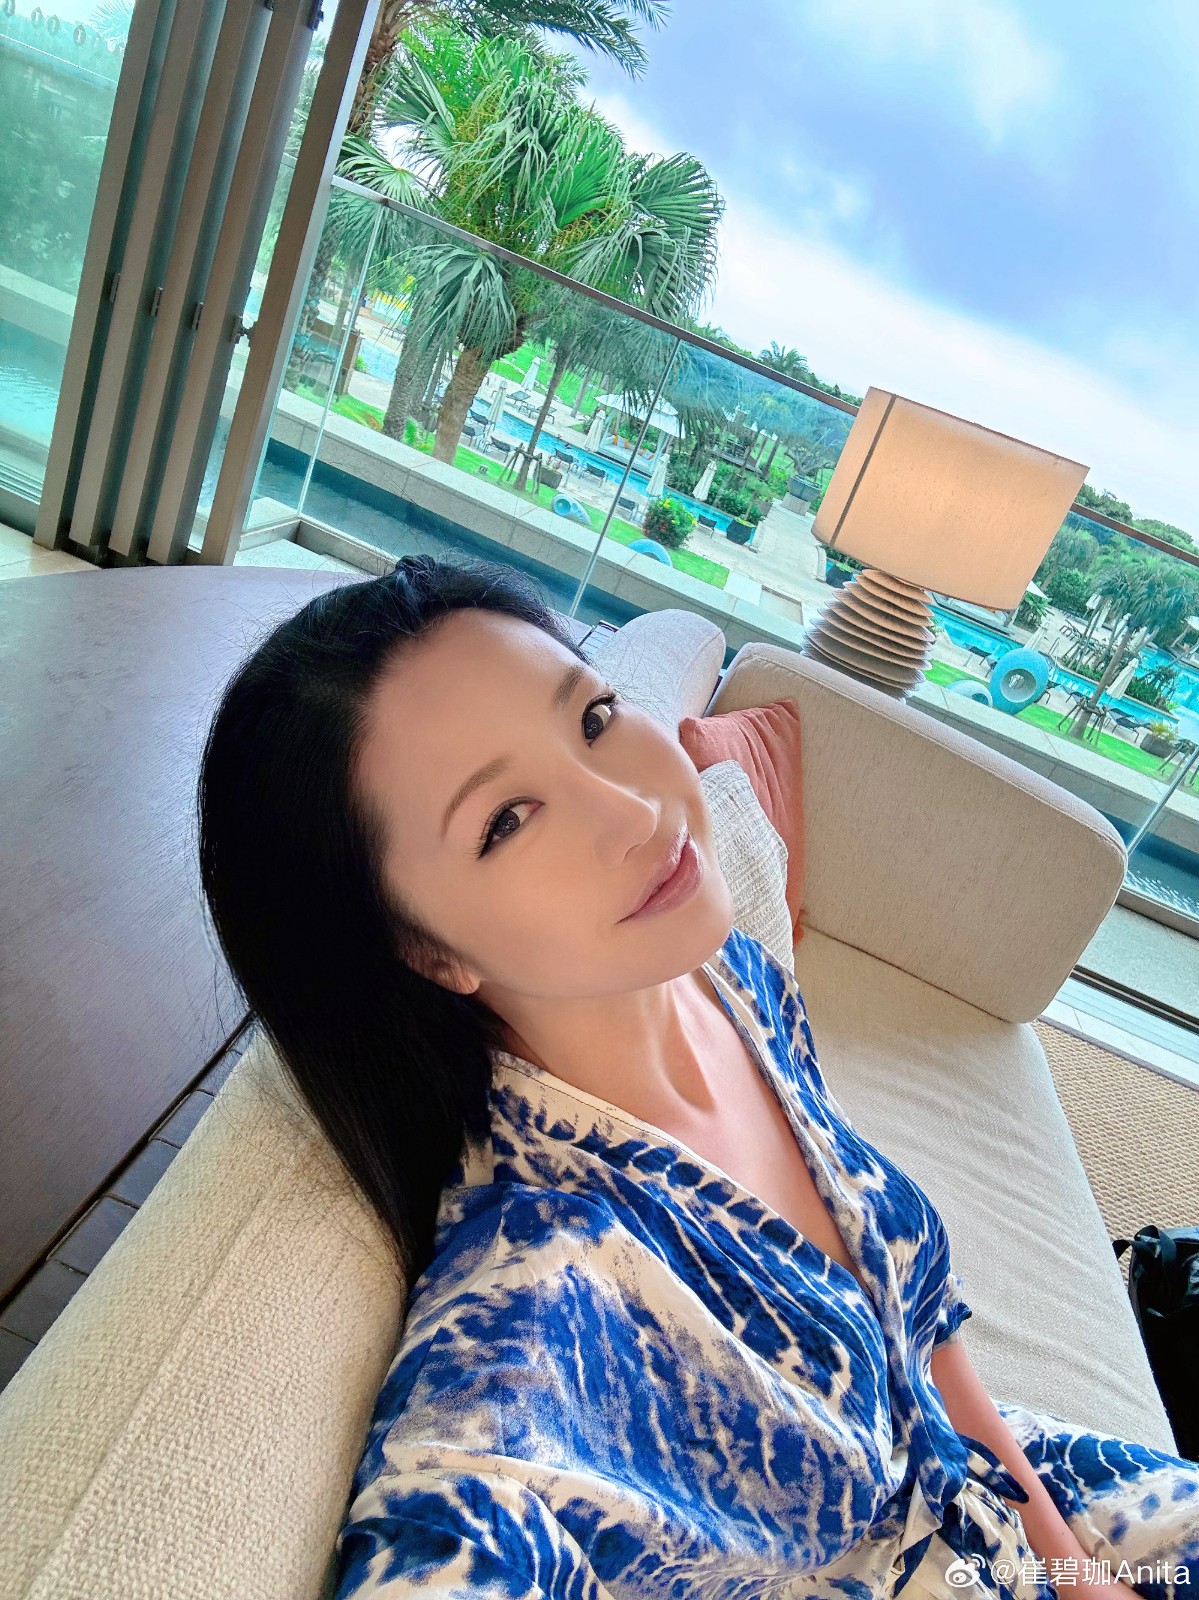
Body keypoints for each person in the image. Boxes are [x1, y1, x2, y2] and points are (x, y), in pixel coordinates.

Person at [196, 554, 1199, 1599]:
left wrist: (1072, 1573)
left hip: (1012, 1496)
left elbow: (924, 1344)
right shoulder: (541, 1299)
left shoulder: (728, 981)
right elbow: (466, 1509)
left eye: (591, 719)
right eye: (505, 819)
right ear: (423, 951)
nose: (631, 808)